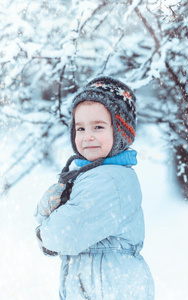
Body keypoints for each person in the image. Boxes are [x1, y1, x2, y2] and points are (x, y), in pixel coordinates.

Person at [34, 76, 155, 299]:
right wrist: (48, 210)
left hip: (109, 287)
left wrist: (44, 231)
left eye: (98, 127)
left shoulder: (107, 180)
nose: (87, 137)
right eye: (80, 128)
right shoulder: (92, 174)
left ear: (120, 131)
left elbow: (64, 234)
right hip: (102, 283)